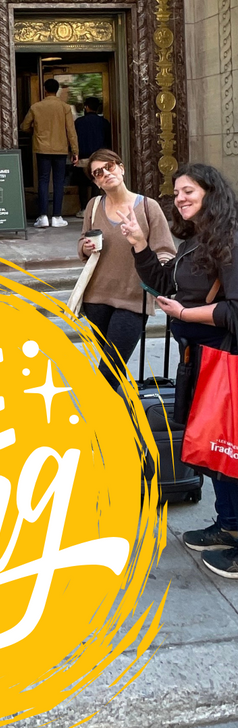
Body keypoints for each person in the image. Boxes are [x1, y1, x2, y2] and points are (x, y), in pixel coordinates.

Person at [120, 162, 238, 579]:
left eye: (189, 191)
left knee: (230, 449)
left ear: (211, 192)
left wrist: (186, 314)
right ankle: (228, 524)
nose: (181, 198)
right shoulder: (196, 240)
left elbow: (235, 311)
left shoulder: (230, 240)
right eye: (176, 193)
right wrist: (139, 243)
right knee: (214, 447)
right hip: (200, 359)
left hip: (226, 362)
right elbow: (165, 283)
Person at [78, 148, 175, 389]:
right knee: (113, 368)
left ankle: (97, 409)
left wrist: (160, 272)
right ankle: (124, 409)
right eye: (98, 173)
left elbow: (165, 251)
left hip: (133, 299)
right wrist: (86, 247)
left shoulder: (148, 207)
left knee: (109, 371)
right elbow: (83, 241)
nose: (105, 174)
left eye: (109, 166)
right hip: (96, 298)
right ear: (96, 182)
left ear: (121, 168)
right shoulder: (93, 206)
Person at [20, 78, 79, 228]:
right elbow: (71, 131)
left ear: (45, 90)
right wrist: (75, 151)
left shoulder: (36, 107)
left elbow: (24, 126)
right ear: (57, 90)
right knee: (58, 182)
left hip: (42, 148)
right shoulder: (65, 107)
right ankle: (57, 216)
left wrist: (35, 131)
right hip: (60, 149)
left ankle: (43, 216)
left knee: (43, 181)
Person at [73, 97, 112, 218]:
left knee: (82, 185)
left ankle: (84, 209)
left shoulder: (79, 122)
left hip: (82, 158)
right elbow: (109, 140)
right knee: (97, 183)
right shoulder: (104, 122)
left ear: (86, 107)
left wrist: (74, 153)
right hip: (99, 157)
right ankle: (95, 209)